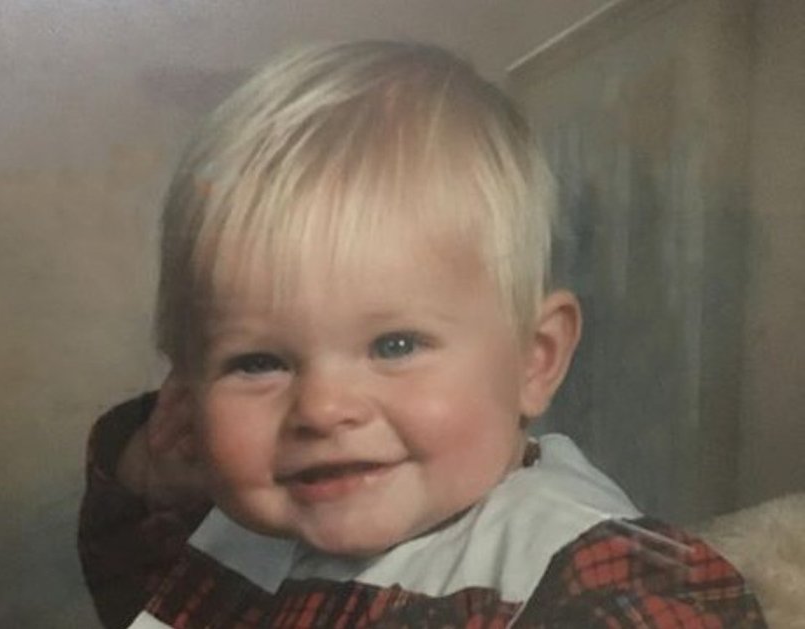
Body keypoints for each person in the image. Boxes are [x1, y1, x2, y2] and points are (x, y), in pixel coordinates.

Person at [78, 41, 766, 628]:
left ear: (535, 358)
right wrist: (149, 481)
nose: (322, 407)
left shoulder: (594, 575)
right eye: (258, 361)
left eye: (393, 345)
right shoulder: (245, 520)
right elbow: (142, 601)